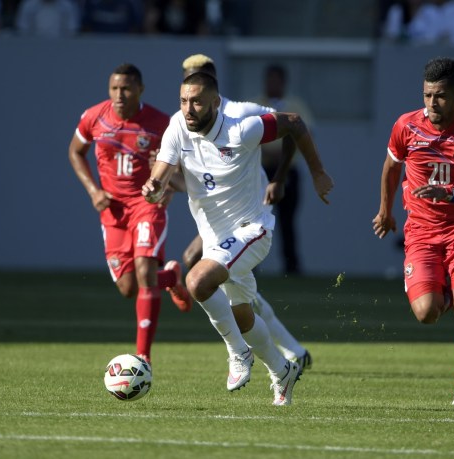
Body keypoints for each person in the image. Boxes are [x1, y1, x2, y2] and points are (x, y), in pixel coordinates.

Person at [142, 71, 333, 405]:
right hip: (217, 241)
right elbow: (160, 173)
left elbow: (295, 123)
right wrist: (154, 186)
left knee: (198, 281)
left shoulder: (241, 128)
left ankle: (237, 354)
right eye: (184, 100)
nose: (189, 108)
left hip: (252, 230)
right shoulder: (177, 128)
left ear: (215, 103)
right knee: (243, 316)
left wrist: (315, 172)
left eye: (197, 101)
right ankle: (281, 370)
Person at [372, 57, 454, 406]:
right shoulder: (406, 126)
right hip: (422, 232)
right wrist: (385, 211)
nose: (431, 103)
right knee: (427, 313)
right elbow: (391, 168)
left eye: (440, 96)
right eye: (427, 95)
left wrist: (451, 193)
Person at [179, 53, 313, 372]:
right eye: (186, 79)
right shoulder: (185, 123)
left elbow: (294, 125)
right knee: (241, 294)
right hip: (222, 221)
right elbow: (201, 184)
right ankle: (290, 356)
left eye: (197, 78)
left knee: (224, 285)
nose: (190, 90)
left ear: (212, 84)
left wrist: (282, 176)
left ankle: (254, 354)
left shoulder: (239, 115)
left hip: (248, 215)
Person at [68, 63, 192, 364]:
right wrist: (93, 190)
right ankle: (171, 277)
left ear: (140, 89)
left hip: (146, 204)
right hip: (113, 212)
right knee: (128, 287)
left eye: (125, 88)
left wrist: (168, 188)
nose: (119, 94)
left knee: (143, 272)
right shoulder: (94, 116)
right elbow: (75, 151)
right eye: (114, 88)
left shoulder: (161, 123)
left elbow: (184, 163)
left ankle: (143, 358)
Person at [253, 64, 313, 275]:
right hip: (261, 171)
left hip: (288, 170)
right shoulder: (256, 104)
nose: (273, 85)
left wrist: (282, 153)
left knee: (287, 221)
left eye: (277, 80)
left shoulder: (295, 105)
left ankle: (291, 267)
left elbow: (305, 134)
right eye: (270, 80)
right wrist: (269, 152)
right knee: (255, 220)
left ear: (284, 83)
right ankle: (252, 266)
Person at [15, 0, 81, 37]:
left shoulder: (67, 6)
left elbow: (72, 32)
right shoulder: (28, 5)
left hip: (61, 48)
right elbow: (23, 31)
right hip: (33, 48)